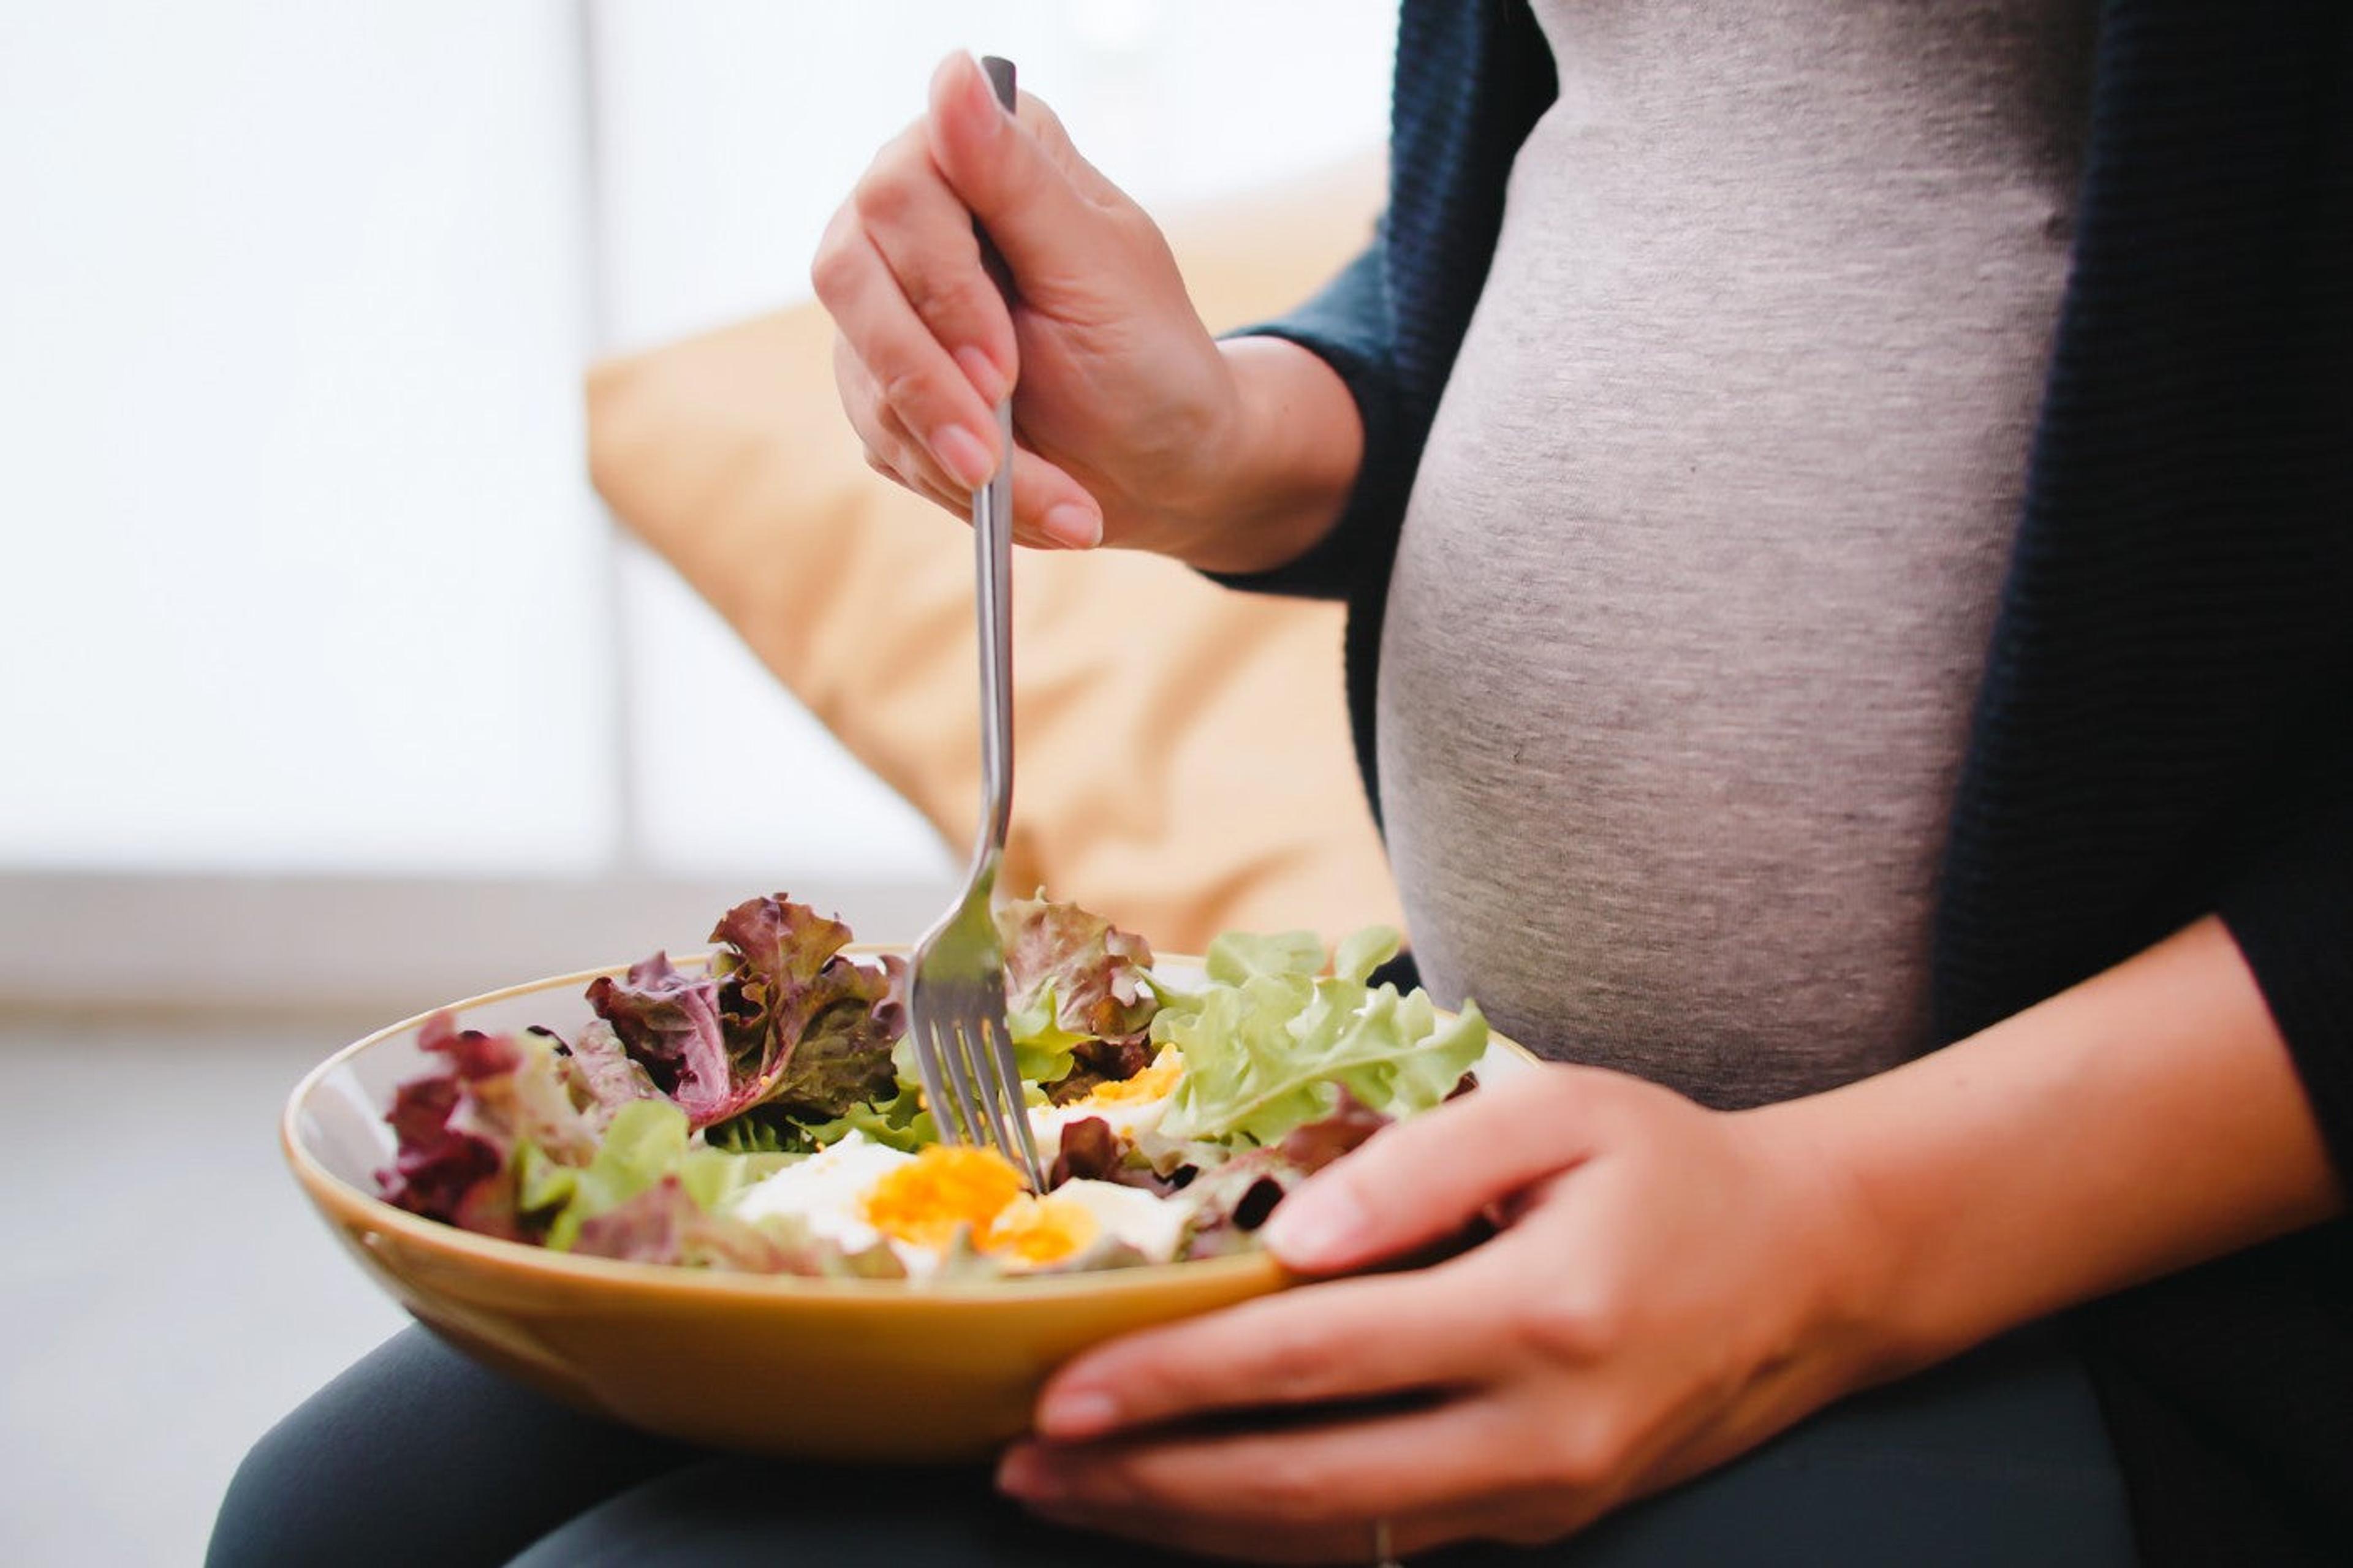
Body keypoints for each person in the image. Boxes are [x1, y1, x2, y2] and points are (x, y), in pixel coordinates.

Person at [210, 3, 2349, 1563]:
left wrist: (1831, 1239)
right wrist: (1235, 436)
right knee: (334, 1521)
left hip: (2142, 1275)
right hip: (1473, 1108)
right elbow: (1647, 180)